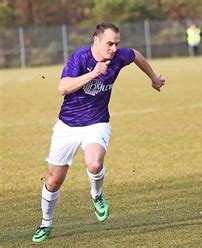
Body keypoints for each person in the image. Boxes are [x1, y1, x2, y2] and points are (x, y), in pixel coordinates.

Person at [32, 23, 165, 242]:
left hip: (97, 122)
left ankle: (96, 194)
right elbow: (62, 88)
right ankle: (46, 223)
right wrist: (93, 74)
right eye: (109, 43)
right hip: (68, 126)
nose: (113, 48)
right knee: (54, 180)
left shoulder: (119, 57)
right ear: (96, 41)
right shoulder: (80, 58)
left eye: (117, 44)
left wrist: (153, 79)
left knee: (94, 163)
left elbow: (136, 56)